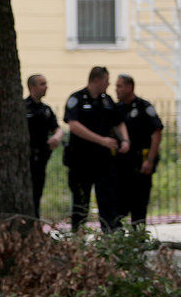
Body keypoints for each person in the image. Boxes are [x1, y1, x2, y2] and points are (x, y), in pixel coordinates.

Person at [64, 66, 130, 232]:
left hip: (104, 162)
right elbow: (73, 125)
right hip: (81, 161)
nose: (109, 85)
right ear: (96, 80)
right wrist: (101, 141)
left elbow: (118, 122)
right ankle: (77, 239)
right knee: (81, 203)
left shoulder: (106, 100)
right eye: (106, 81)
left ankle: (109, 238)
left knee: (108, 202)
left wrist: (125, 140)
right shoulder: (77, 99)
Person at [114, 74, 163, 225]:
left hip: (140, 164)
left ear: (129, 87)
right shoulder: (117, 108)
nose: (116, 90)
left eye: (119, 86)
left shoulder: (144, 107)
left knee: (139, 205)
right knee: (119, 205)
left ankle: (138, 240)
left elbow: (157, 133)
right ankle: (119, 241)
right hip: (121, 165)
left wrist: (150, 160)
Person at [24, 74, 63, 218]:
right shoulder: (23, 107)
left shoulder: (46, 110)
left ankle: (36, 219)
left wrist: (56, 138)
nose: (46, 87)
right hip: (26, 157)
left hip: (41, 157)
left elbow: (57, 128)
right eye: (42, 84)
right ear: (32, 87)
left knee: (38, 191)